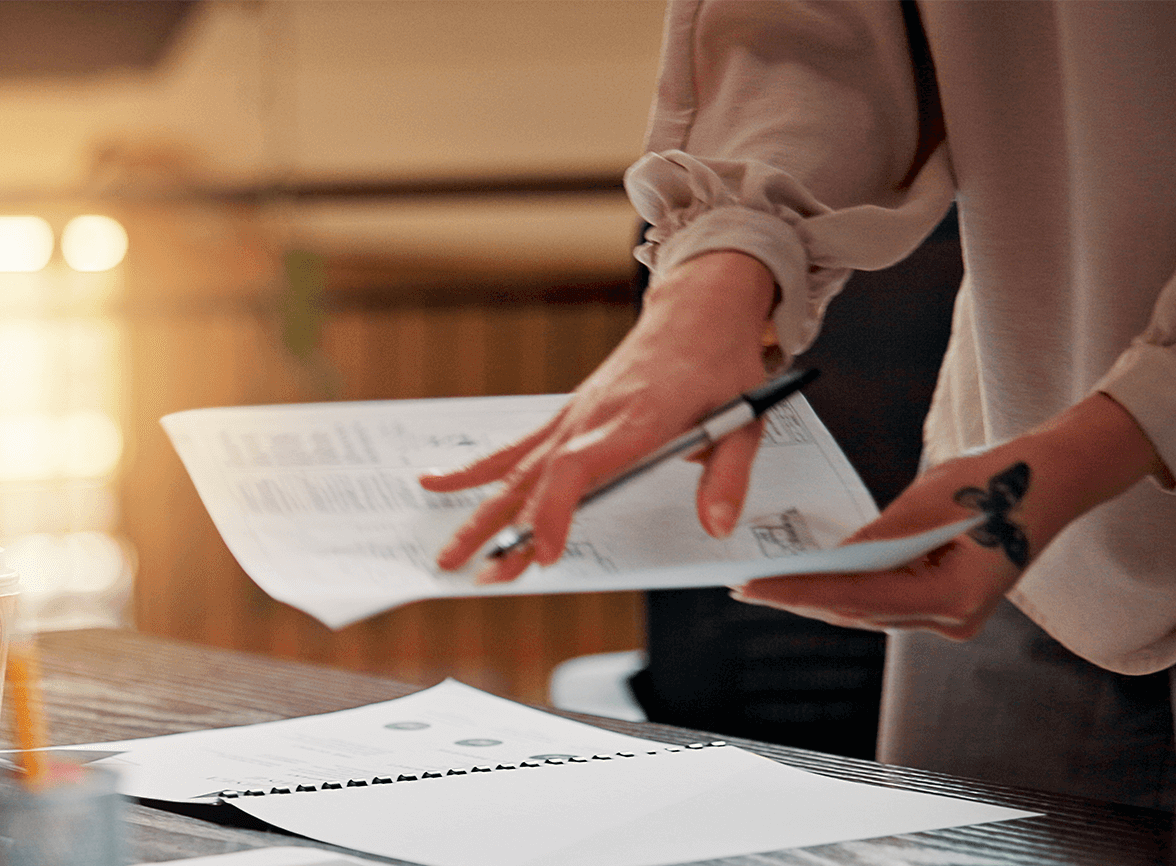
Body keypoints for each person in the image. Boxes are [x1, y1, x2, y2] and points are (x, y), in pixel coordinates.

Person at [423, 0, 1176, 807]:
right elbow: (814, 29)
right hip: (1017, 474)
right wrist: (718, 265)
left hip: (1036, 482)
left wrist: (1126, 421)